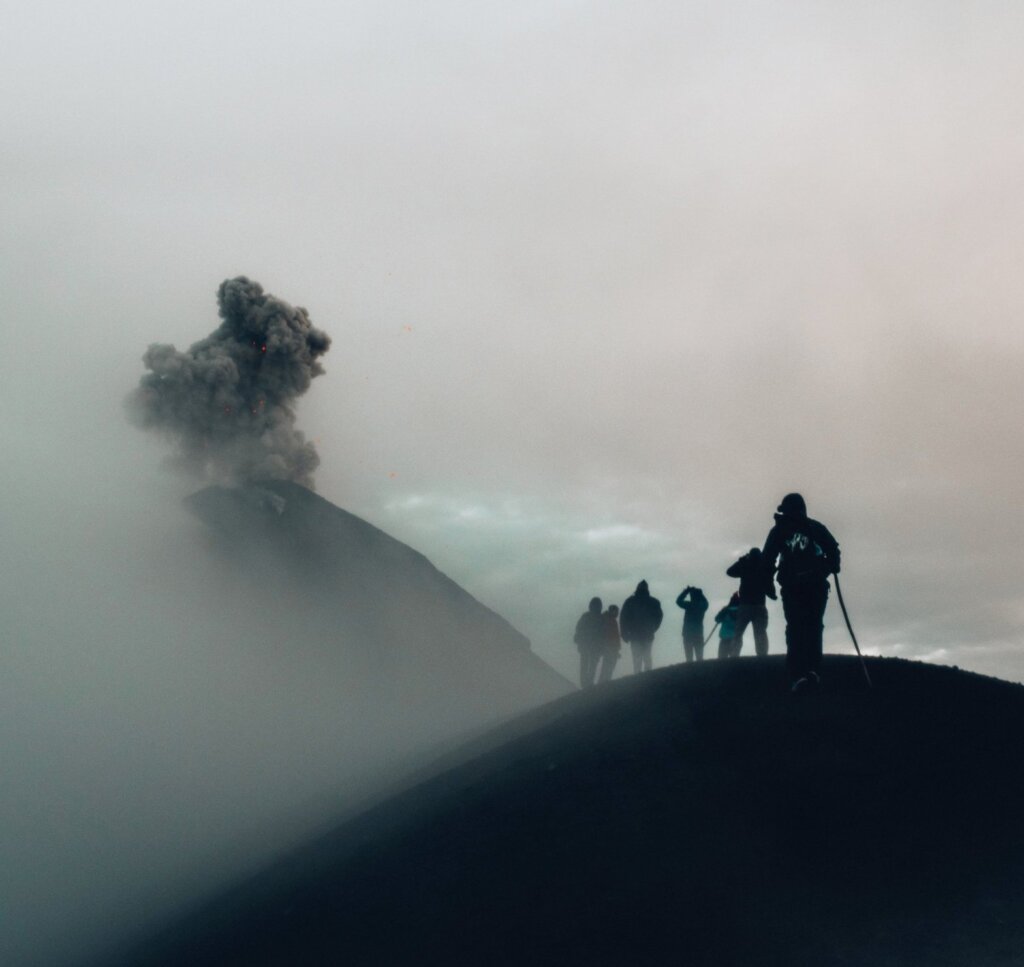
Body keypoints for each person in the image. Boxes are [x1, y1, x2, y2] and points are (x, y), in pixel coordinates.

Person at [760, 493, 841, 692]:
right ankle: (812, 671)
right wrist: (828, 569)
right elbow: (834, 552)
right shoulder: (815, 527)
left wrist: (768, 585)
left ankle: (798, 675)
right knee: (813, 627)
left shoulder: (779, 530)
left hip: (793, 587)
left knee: (796, 628)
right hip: (815, 586)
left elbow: (767, 560)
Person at [726, 548, 771, 657]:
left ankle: (734, 655)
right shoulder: (763, 566)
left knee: (738, 633)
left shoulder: (745, 566)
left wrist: (741, 561)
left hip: (745, 605)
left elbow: (729, 572)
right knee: (760, 633)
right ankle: (762, 655)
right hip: (760, 604)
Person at [619, 580, 663, 673]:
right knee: (647, 657)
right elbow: (659, 617)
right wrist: (653, 628)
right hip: (647, 634)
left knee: (637, 658)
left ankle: (638, 677)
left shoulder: (630, 601)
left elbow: (623, 618)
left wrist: (624, 633)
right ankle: (648, 677)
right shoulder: (654, 602)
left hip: (634, 635)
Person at [573, 597, 605, 689]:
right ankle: (588, 683)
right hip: (594, 646)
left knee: (585, 665)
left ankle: (585, 684)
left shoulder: (586, 616)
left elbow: (578, 629)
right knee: (592, 666)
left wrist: (579, 640)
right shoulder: (601, 618)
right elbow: (603, 634)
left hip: (585, 645)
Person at [675, 586, 709, 662]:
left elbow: (678, 601)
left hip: (687, 633)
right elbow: (706, 603)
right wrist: (701, 594)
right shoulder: (702, 606)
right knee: (699, 657)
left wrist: (686, 591)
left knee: (689, 658)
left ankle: (689, 671)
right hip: (698, 633)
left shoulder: (689, 605)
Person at [598, 604, 622, 683]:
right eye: (616, 612)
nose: (617, 614)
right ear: (612, 611)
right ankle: (604, 682)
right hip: (609, 647)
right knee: (608, 665)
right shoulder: (608, 620)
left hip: (611, 647)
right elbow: (610, 635)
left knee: (608, 666)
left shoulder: (609, 619)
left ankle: (604, 682)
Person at [715, 592, 741, 659]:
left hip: (724, 638)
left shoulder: (725, 610)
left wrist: (723, 611)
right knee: (734, 660)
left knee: (722, 660)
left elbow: (717, 619)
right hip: (736, 638)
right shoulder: (741, 611)